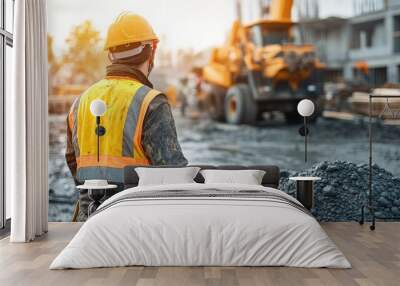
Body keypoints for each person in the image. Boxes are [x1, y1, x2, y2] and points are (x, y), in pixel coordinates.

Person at [65, 12, 188, 222]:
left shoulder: (80, 102)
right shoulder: (151, 102)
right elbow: (174, 176)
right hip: (135, 222)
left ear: (110, 55)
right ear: (151, 52)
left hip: (86, 224)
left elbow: (73, 162)